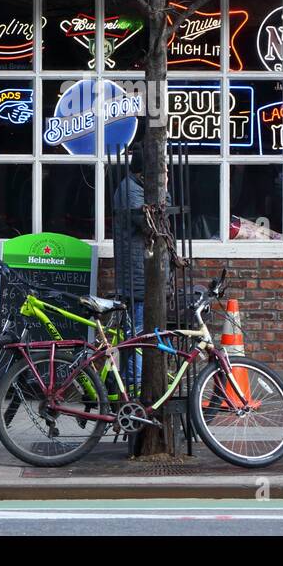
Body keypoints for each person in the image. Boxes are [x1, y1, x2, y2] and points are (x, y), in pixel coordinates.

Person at [111, 150, 149, 392]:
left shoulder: (135, 187)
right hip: (136, 276)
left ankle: (125, 385)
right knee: (136, 336)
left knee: (136, 334)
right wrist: (163, 189)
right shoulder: (131, 190)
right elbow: (150, 223)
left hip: (142, 273)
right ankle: (134, 387)